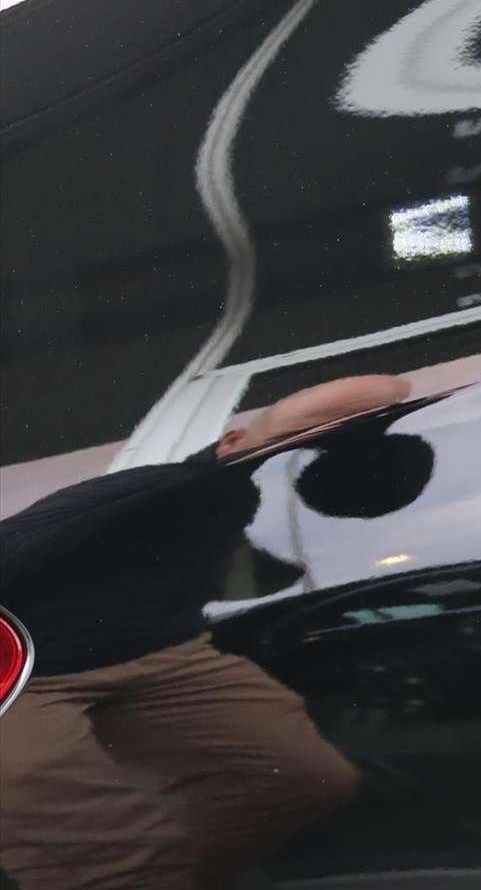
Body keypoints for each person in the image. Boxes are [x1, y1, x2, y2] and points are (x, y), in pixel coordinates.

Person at [0, 375, 431, 889]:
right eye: (293, 441)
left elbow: (254, 571)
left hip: (165, 652)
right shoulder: (159, 489)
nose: (299, 452)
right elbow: (380, 387)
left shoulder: (246, 508)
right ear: (229, 442)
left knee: (303, 779)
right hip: (28, 674)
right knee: (113, 850)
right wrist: (334, 417)